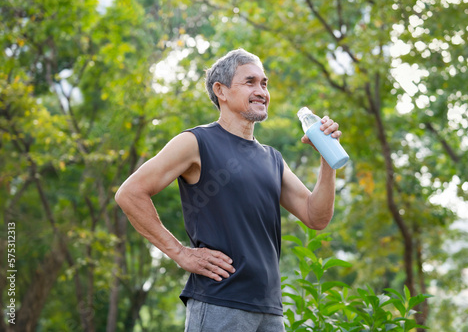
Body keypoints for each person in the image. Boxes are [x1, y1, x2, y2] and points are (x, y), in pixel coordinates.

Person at [115, 48, 342, 332]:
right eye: (250, 82)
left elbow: (316, 217)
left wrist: (327, 157)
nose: (261, 91)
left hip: (269, 310)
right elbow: (130, 193)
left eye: (264, 83)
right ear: (220, 90)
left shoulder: (272, 158)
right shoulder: (196, 142)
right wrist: (181, 254)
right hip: (220, 303)